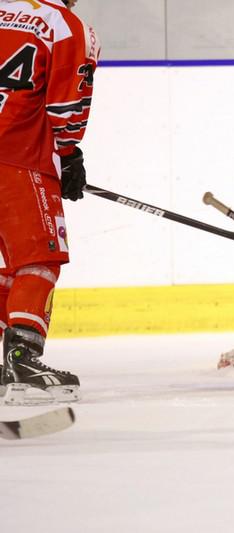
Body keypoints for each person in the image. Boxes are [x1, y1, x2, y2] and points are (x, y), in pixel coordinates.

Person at [0, 0, 99, 404]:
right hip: (19, 159)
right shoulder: (66, 25)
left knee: (9, 268)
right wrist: (70, 154)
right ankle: (22, 362)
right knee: (39, 260)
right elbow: (67, 104)